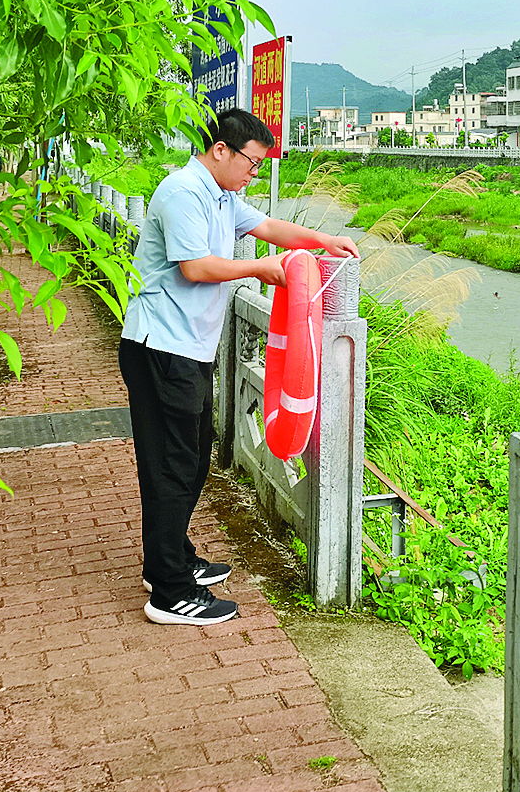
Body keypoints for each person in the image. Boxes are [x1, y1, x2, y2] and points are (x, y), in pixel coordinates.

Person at [119, 107, 358, 625]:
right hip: (161, 348)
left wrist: (322, 242)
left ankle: (173, 557)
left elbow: (269, 226)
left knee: (191, 458)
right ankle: (168, 592)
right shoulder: (183, 192)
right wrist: (260, 269)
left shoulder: (223, 194)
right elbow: (196, 267)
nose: (255, 172)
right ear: (220, 151)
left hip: (188, 349)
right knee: (172, 466)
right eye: (252, 162)